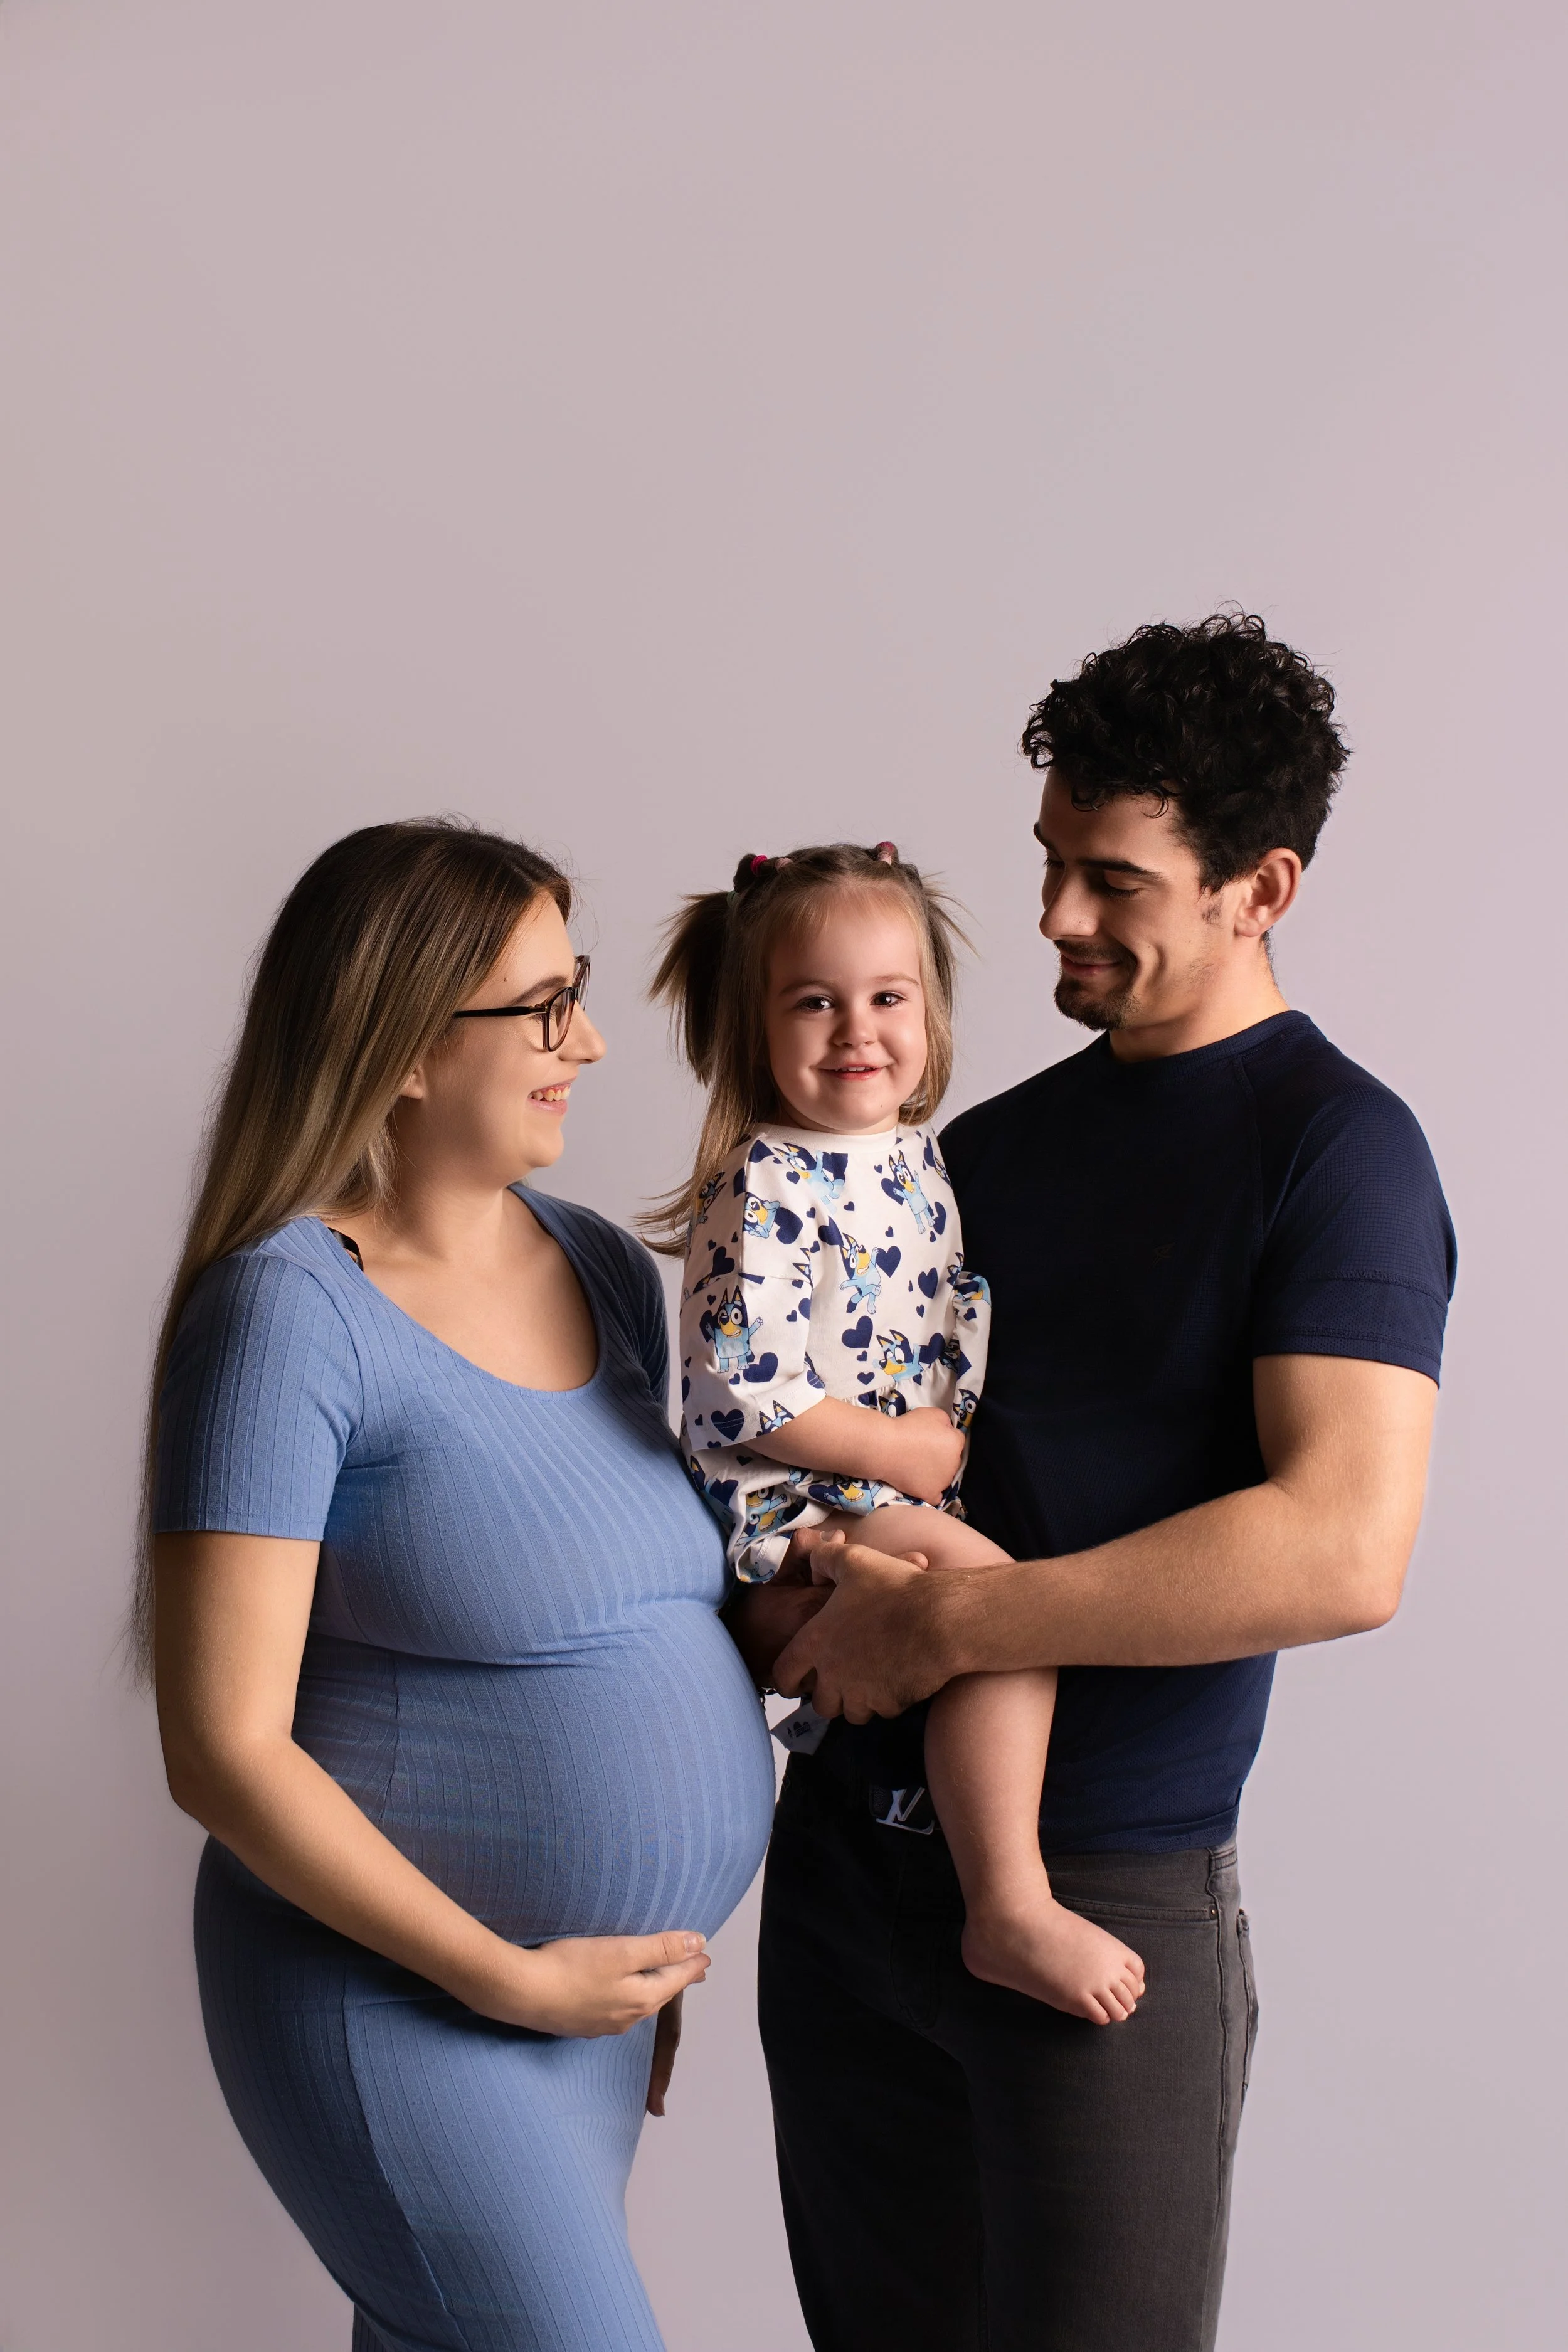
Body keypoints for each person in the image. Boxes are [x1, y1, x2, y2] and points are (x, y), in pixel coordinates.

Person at [731, 613, 1457, 2352]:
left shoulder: (1339, 1153)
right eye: (1051, 862)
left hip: (1104, 1890)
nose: (1054, 915)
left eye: (1110, 879)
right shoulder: (975, 1147)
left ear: (1256, 886)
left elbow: (1340, 1546)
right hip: (842, 1868)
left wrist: (956, 1629)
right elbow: (813, 1420)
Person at [143, 820, 776, 2352]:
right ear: (410, 1041)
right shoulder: (288, 1313)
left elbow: (645, 1619)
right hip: (399, 1999)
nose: (594, 1042)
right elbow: (218, 1750)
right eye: (544, 1007)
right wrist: (511, 1976)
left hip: (581, 2010)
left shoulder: (600, 1267)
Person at [648, 840, 1143, 2021]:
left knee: (974, 1617)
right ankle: (1008, 1904)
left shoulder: (920, 1154)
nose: (855, 1030)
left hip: (890, 1487)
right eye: (813, 1002)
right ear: (751, 1030)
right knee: (1005, 1610)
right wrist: (904, 1455)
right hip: (795, 1498)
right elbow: (740, 1385)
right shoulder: (765, 1179)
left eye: (887, 997)